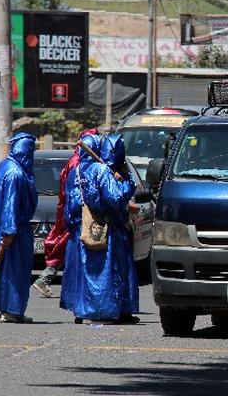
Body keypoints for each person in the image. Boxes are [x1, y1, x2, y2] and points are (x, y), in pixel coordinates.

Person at [60, 133, 135, 324]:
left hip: (79, 228)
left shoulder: (74, 172)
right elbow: (114, 198)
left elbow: (68, 201)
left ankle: (82, 309)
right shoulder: (101, 171)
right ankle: (100, 312)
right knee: (102, 272)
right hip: (102, 226)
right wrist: (127, 184)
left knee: (83, 271)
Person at [32, 128, 99, 298]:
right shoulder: (78, 164)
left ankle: (47, 278)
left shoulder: (78, 162)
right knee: (72, 245)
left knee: (66, 245)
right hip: (76, 212)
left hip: (69, 210)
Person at [0, 132, 38, 323]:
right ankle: (11, 310)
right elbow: (10, 204)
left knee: (0, 269)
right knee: (14, 272)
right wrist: (9, 231)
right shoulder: (15, 174)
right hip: (13, 229)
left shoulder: (3, 166)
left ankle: (7, 309)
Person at [100, 133, 140, 323]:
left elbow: (130, 190)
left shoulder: (119, 171)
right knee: (112, 272)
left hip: (119, 230)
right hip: (109, 230)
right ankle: (110, 310)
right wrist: (123, 184)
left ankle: (124, 309)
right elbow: (115, 199)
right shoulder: (103, 173)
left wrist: (125, 180)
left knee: (123, 271)